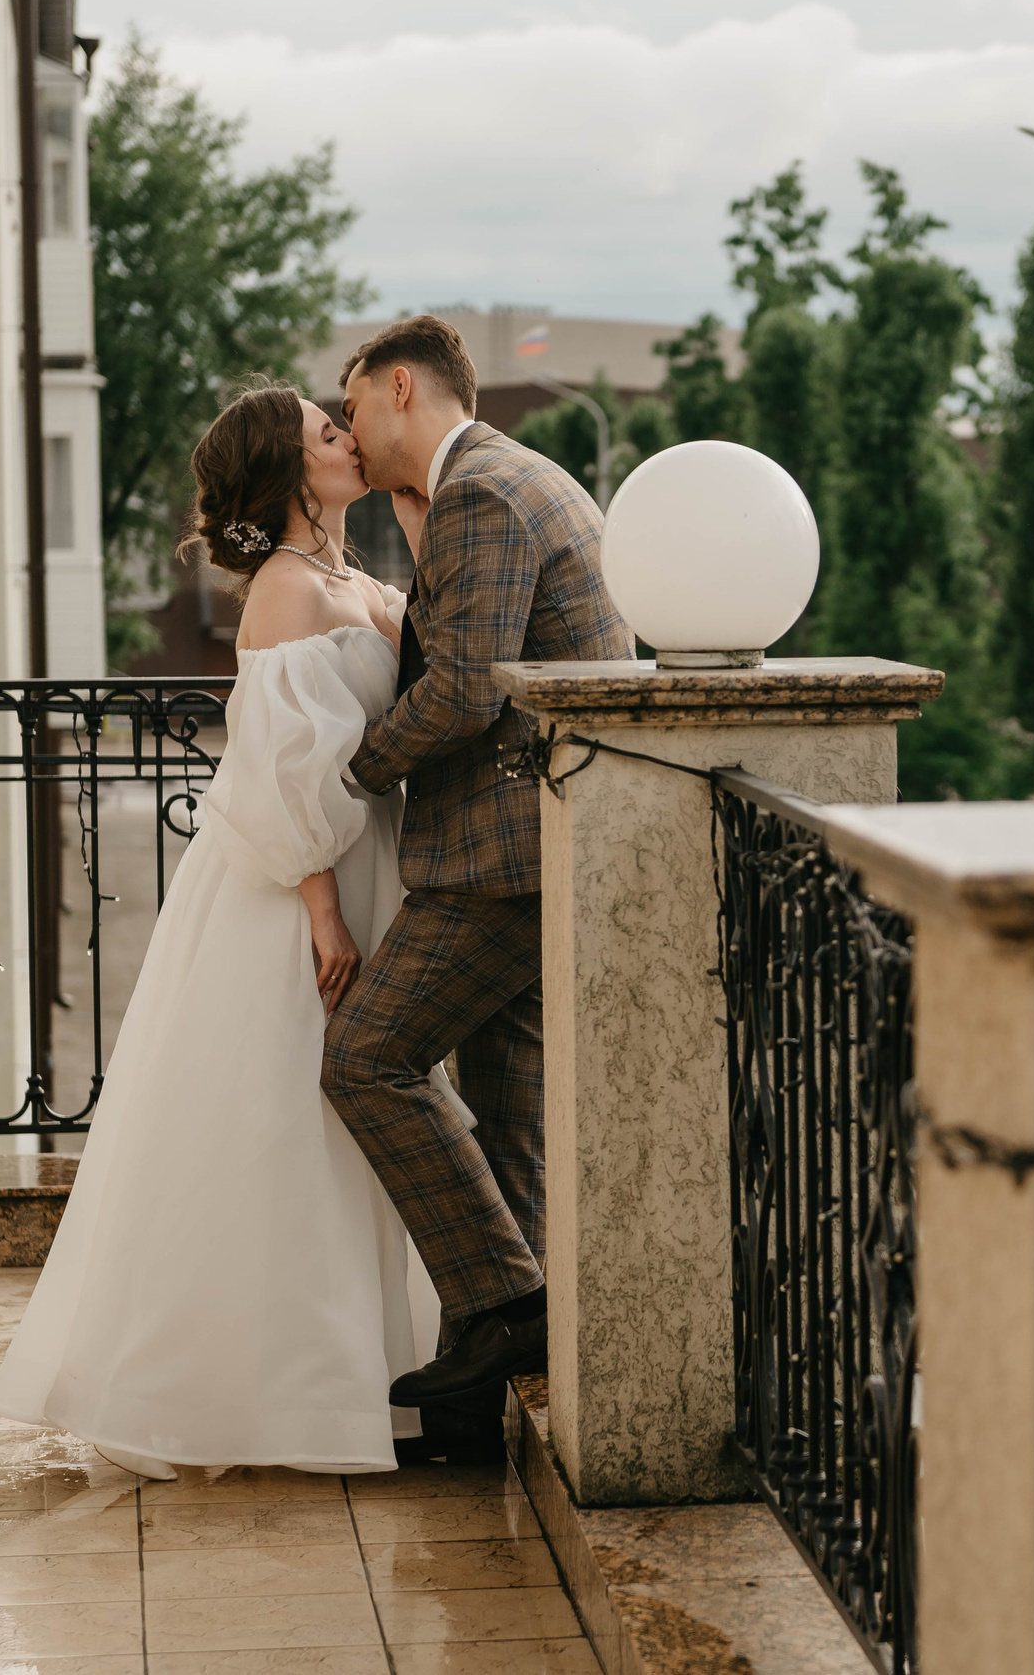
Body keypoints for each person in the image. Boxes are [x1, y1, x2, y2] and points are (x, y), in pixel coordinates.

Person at [0, 384, 447, 1479]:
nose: (346, 435)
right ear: (290, 473)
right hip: (297, 888)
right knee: (286, 1116)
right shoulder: (285, 592)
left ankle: (377, 1371)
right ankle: (273, 1394)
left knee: (339, 1121)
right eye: (325, 432)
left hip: (362, 862)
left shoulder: (342, 574)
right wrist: (325, 913)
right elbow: (282, 770)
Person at [326, 316, 630, 1428]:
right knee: (509, 1128)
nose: (348, 433)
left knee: (368, 1058)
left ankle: (506, 1302)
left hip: (503, 857)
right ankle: (472, 1413)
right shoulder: (503, 481)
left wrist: (346, 767)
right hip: (547, 837)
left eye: (352, 405)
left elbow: (466, 690)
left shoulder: (482, 494)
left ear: (401, 387)